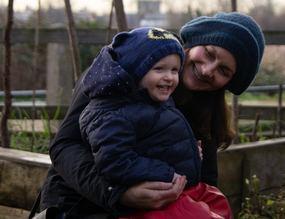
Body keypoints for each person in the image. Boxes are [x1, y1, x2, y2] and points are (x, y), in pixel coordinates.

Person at [39, 12, 265, 218]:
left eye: (223, 71)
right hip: (80, 201)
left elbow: (204, 184)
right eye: (208, 53)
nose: (207, 70)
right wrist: (120, 194)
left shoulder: (203, 115)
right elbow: (64, 146)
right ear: (195, 41)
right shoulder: (120, 68)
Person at [79, 27, 233, 218]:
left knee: (217, 200)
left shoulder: (158, 100)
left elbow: (158, 142)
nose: (169, 76)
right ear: (136, 70)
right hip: (153, 195)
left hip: (180, 185)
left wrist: (190, 152)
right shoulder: (112, 111)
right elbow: (116, 160)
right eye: (159, 68)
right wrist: (167, 174)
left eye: (174, 70)